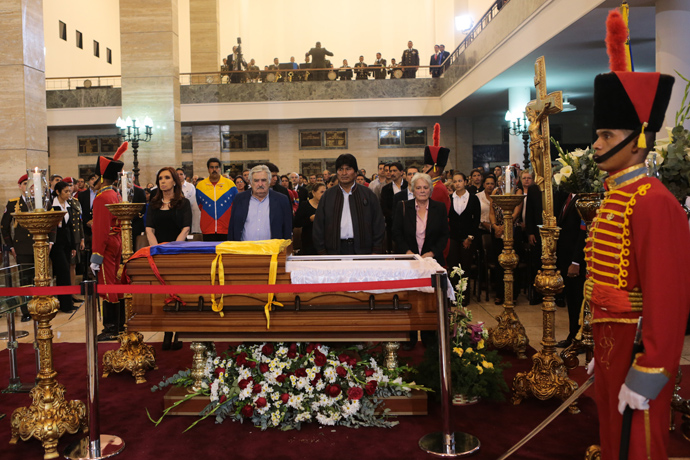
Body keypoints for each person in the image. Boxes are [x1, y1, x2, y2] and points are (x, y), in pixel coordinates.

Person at [584, 14, 690, 457]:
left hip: (641, 348)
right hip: (613, 339)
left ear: (637, 141)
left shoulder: (654, 201)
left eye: (606, 134)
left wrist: (652, 368)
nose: (595, 144)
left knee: (639, 446)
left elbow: (668, 299)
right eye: (597, 133)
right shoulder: (617, 195)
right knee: (612, 438)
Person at [393, 172, 449, 349]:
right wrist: (409, 253)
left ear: (430, 190)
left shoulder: (439, 208)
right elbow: (396, 233)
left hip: (431, 261)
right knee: (409, 297)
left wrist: (431, 253)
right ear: (412, 189)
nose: (422, 191)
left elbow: (444, 235)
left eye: (425, 187)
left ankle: (429, 336)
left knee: (429, 299)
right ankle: (409, 336)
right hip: (409, 260)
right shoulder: (403, 207)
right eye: (418, 188)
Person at [146, 167, 192, 350]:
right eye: (160, 178)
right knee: (162, 294)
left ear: (174, 181)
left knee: (177, 293)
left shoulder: (183, 203)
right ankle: (166, 332)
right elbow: (149, 229)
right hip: (158, 253)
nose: (162, 181)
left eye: (166, 178)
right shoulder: (154, 204)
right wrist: (157, 249)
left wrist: (173, 249)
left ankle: (177, 331)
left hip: (177, 252)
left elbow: (186, 228)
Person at [90, 142, 127, 341]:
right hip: (116, 241)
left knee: (107, 284)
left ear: (101, 178)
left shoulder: (101, 197)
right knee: (115, 282)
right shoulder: (115, 194)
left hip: (106, 245)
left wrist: (96, 255)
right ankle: (119, 324)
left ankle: (111, 327)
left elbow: (101, 230)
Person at [312, 154, 385, 255]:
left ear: (355, 172)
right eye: (340, 169)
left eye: (348, 169)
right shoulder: (328, 195)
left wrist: (376, 251)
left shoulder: (368, 194)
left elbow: (378, 224)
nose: (344, 173)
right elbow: (318, 226)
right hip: (334, 251)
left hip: (363, 251)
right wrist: (322, 252)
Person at [555, 190, 586, 348]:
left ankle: (579, 337)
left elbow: (583, 233)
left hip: (575, 260)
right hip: (565, 257)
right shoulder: (567, 197)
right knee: (571, 300)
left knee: (577, 300)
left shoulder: (583, 200)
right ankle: (572, 335)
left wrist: (576, 261)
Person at [227, 165, 292, 241]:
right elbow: (232, 227)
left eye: (263, 180)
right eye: (256, 181)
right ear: (250, 182)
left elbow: (287, 229)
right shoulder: (239, 199)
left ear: (269, 181)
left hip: (272, 251)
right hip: (245, 250)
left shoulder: (282, 200)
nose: (260, 184)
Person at [0, 174, 34, 321]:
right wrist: (10, 245)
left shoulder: (40, 202)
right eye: (25, 184)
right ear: (20, 186)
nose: (28, 187)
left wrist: (50, 242)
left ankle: (39, 307)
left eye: (30, 184)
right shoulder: (14, 203)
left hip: (38, 246)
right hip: (22, 248)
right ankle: (26, 311)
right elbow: (4, 227)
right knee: (25, 280)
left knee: (40, 279)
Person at [447, 172, 480, 305]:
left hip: (468, 238)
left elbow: (476, 219)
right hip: (453, 237)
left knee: (465, 267)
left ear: (465, 182)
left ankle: (464, 297)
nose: (457, 184)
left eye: (460, 181)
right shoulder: (450, 198)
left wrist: (470, 237)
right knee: (453, 267)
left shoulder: (473, 198)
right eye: (455, 182)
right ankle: (453, 296)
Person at [50, 181, 80, 314]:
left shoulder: (69, 205)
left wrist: (73, 246)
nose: (69, 194)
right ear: (58, 192)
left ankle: (67, 303)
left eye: (70, 191)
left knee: (66, 272)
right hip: (55, 243)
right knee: (62, 272)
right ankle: (65, 304)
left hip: (66, 243)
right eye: (66, 192)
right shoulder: (51, 205)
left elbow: (70, 227)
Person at [196, 157, 237, 241]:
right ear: (208, 169)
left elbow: (235, 204)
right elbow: (200, 205)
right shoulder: (200, 186)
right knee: (209, 253)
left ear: (220, 169)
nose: (214, 169)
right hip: (207, 229)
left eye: (216, 167)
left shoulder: (230, 184)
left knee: (226, 253)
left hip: (226, 228)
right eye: (212, 167)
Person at [379, 162, 407, 252]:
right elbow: (383, 207)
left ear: (401, 172)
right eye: (390, 171)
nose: (392, 173)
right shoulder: (386, 189)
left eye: (395, 171)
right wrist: (395, 216)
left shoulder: (408, 186)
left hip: (408, 222)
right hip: (391, 224)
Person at [294, 182, 326, 255]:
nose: (324, 194)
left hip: (324, 240)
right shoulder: (305, 205)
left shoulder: (328, 205)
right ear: (313, 193)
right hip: (309, 240)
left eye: (325, 192)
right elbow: (297, 223)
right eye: (321, 192)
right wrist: (309, 219)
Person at [176, 168, 200, 234]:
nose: (179, 176)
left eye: (181, 174)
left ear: (185, 176)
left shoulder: (190, 186)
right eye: (177, 174)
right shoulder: (173, 186)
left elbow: (192, 200)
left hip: (188, 211)